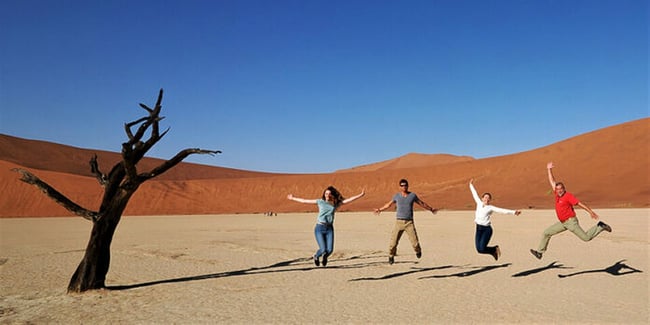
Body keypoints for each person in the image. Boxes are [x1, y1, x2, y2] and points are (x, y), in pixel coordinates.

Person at [529, 162, 612, 259]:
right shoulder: (556, 194)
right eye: (557, 189)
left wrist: (590, 212)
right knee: (546, 233)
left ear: (564, 189)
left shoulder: (568, 196)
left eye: (561, 189)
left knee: (586, 238)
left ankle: (600, 226)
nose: (559, 190)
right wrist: (549, 169)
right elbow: (552, 181)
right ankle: (540, 252)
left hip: (571, 222)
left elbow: (579, 203)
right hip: (562, 223)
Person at [287, 186, 365, 267]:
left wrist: (360, 195)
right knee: (323, 249)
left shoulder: (335, 203)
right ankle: (316, 256)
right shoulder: (320, 201)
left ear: (332, 195)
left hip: (329, 229)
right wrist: (293, 198)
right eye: (326, 193)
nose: (327, 195)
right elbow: (305, 201)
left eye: (329, 194)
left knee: (330, 250)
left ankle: (325, 257)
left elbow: (348, 200)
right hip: (319, 228)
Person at [374, 179, 438, 264]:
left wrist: (431, 209)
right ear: (399, 187)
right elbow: (389, 204)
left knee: (415, 243)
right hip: (399, 222)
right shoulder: (396, 196)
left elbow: (421, 203)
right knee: (393, 243)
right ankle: (391, 256)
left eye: (405, 185)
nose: (404, 187)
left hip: (409, 223)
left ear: (408, 186)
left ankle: (418, 251)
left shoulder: (412, 195)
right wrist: (380, 209)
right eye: (402, 185)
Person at [469, 178, 521, 261]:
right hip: (478, 229)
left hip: (486, 230)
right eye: (485, 197)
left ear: (489, 200)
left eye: (488, 198)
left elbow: (502, 211)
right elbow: (474, 194)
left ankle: (494, 249)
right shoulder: (479, 203)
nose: (486, 199)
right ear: (482, 198)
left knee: (482, 248)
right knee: (479, 250)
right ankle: (493, 250)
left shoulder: (490, 208)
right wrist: (471, 185)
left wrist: (514, 212)